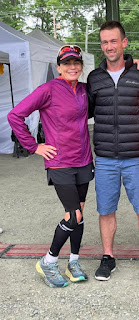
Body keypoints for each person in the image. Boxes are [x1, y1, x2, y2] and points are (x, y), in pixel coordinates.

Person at [8, 45, 94, 288]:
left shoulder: (85, 90)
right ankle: (48, 260)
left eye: (76, 62)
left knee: (78, 215)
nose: (72, 67)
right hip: (60, 162)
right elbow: (15, 115)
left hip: (84, 159)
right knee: (73, 215)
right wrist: (34, 146)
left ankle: (74, 261)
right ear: (58, 67)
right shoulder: (48, 89)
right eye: (66, 63)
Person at [87, 21, 139, 282]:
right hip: (104, 157)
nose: (109, 47)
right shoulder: (94, 78)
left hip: (135, 157)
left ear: (124, 43)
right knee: (105, 210)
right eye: (104, 42)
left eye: (113, 41)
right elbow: (87, 111)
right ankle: (108, 257)